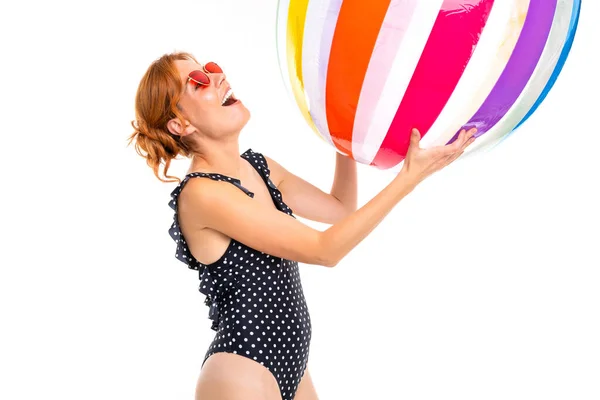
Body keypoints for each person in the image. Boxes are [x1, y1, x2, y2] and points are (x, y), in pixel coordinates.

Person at [128, 51, 476, 400]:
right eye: (198, 82)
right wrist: (409, 178)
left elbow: (341, 209)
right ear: (180, 124)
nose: (217, 76)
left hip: (292, 367)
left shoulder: (259, 167)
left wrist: (345, 130)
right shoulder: (202, 194)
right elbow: (325, 251)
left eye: (212, 69)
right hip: (242, 371)